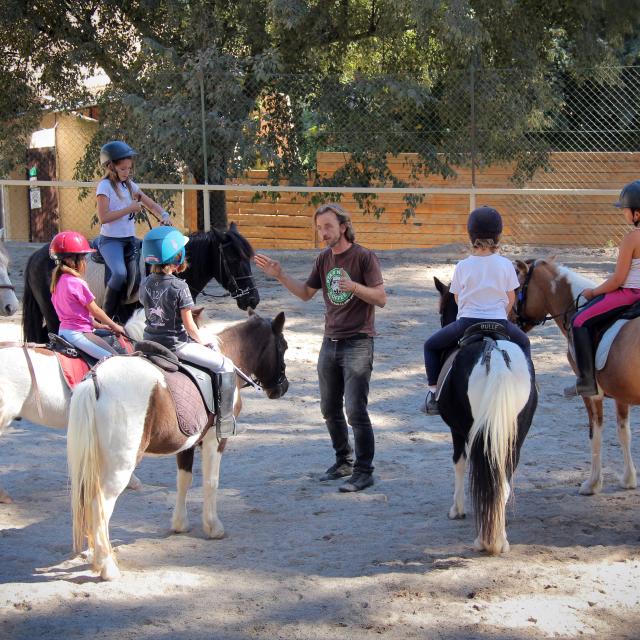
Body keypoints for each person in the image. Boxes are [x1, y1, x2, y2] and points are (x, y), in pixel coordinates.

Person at [254, 203, 386, 493]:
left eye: (327, 226)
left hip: (358, 343)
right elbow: (305, 293)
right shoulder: (323, 259)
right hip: (330, 342)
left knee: (355, 409)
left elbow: (380, 298)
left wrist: (353, 287)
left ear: (343, 226)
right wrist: (280, 274)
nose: (323, 233)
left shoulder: (364, 257)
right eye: (319, 228)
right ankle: (344, 462)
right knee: (329, 407)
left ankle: (364, 471)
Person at [422, 206, 531, 415]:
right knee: (524, 343)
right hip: (500, 323)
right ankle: (528, 385)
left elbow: (456, 297)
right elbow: (510, 297)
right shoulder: (506, 265)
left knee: (430, 346)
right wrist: (501, 313)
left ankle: (434, 394)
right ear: (498, 236)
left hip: (467, 323)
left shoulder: (463, 265)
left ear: (471, 235)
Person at [140, 226, 237, 436]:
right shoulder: (180, 286)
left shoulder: (145, 282)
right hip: (176, 345)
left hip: (148, 341)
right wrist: (205, 343)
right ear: (177, 257)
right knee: (225, 365)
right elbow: (190, 326)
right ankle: (225, 421)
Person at [564, 180, 640, 398]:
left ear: (636, 214)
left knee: (579, 321)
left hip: (630, 295)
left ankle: (586, 381)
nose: (623, 213)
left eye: (625, 210)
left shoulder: (632, 238)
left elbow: (617, 281)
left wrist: (593, 292)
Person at [96, 140, 172, 319]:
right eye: (122, 169)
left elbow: (150, 204)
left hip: (130, 239)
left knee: (156, 258)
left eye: (129, 168)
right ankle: (106, 317)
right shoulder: (104, 187)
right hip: (111, 240)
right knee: (119, 273)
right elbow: (104, 217)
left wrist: (163, 215)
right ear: (110, 166)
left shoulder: (130, 185)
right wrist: (129, 209)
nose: (126, 172)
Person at [50, 230, 125, 360]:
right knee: (114, 360)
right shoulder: (77, 282)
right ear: (71, 260)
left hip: (63, 332)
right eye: (83, 258)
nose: (85, 262)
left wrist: (99, 325)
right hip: (78, 334)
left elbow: (76, 313)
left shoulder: (57, 282)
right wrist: (114, 325)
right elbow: (95, 310)